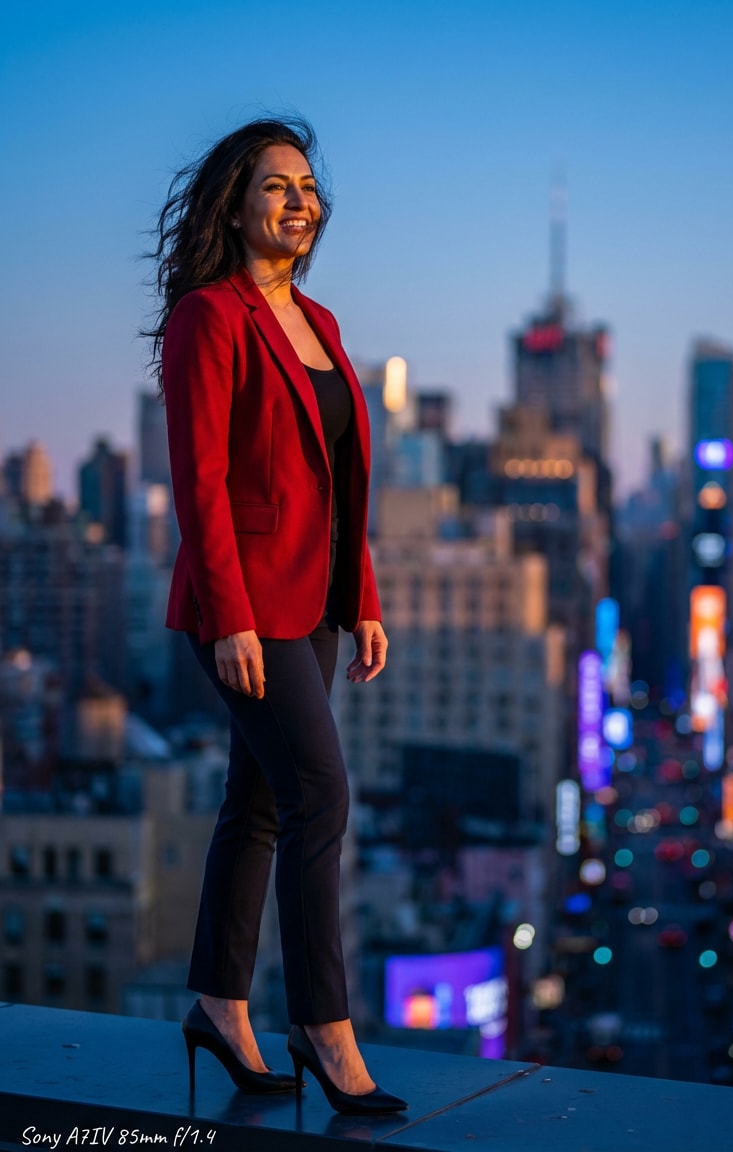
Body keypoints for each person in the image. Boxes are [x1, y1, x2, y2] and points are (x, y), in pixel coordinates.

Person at [147, 116, 406, 1116]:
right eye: (274, 185)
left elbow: (340, 483)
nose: (298, 202)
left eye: (307, 188)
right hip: (245, 607)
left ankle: (219, 1004)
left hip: (317, 601)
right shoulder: (208, 316)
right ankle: (322, 1026)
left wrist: (362, 597)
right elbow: (200, 480)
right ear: (234, 204)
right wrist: (229, 617)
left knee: (255, 804)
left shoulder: (320, 322)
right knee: (318, 796)